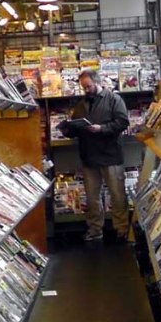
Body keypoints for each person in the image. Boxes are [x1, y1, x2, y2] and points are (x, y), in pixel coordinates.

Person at [58, 69, 130, 242]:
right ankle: (95, 229)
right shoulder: (82, 105)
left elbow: (122, 122)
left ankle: (122, 229)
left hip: (110, 155)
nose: (86, 90)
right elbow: (76, 128)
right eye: (84, 87)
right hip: (89, 156)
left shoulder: (114, 99)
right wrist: (67, 129)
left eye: (88, 86)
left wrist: (102, 128)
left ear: (97, 82)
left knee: (117, 195)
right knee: (92, 198)